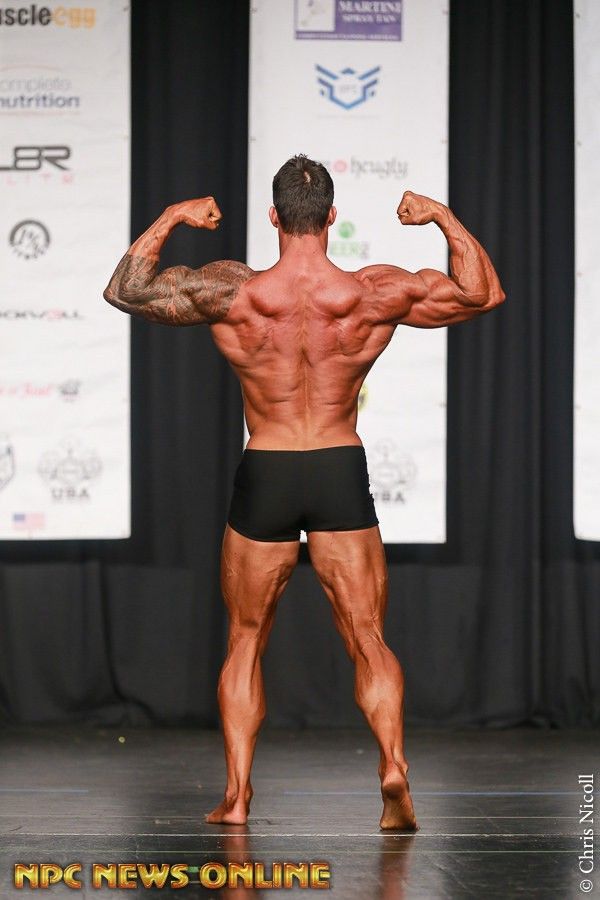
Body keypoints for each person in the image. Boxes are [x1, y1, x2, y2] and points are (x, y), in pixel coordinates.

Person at [104, 154, 505, 830]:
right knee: (367, 634)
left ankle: (237, 797)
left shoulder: (234, 291)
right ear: (331, 218)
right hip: (338, 466)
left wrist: (173, 216)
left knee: (245, 638)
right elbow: (481, 293)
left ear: (273, 216)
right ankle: (393, 765)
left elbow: (127, 290)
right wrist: (441, 216)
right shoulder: (372, 292)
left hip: (267, 468)